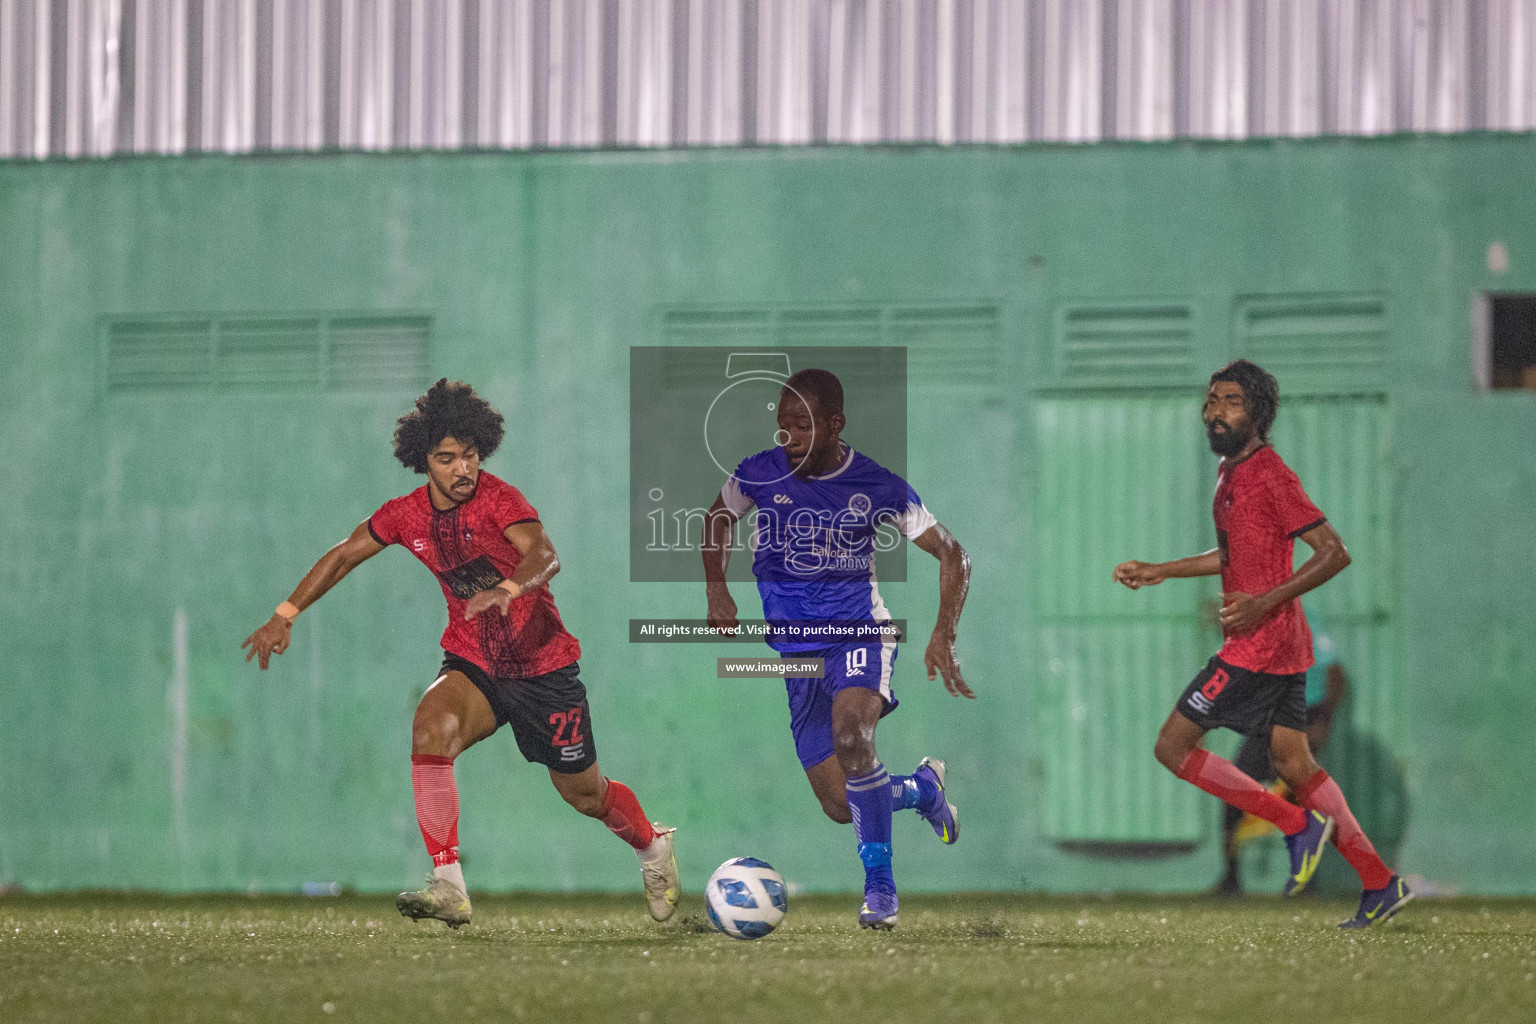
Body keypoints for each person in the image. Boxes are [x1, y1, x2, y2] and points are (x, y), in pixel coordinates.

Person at [241, 379, 679, 928]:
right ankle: (448, 884)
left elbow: (544, 554)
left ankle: (651, 847)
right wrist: (285, 614)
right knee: (430, 727)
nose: (461, 468)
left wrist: (509, 589)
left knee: (586, 795)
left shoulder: (501, 501)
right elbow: (345, 554)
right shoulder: (405, 515)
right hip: (475, 665)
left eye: (469, 455)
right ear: (423, 460)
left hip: (544, 669)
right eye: (447, 458)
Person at [1113, 360, 1410, 929]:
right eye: (1210, 401)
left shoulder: (1270, 473)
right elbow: (1232, 556)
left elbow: (1333, 552)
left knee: (1172, 749)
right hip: (1280, 644)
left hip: (1258, 647)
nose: (1213, 411)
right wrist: (1162, 571)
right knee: (1293, 762)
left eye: (1229, 401)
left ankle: (1296, 825)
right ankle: (1379, 882)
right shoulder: (1230, 472)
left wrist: (1263, 602)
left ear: (1258, 413)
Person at [701, 368, 974, 930]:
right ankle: (922, 790)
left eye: (803, 426)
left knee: (853, 736)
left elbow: (952, 554)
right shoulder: (758, 472)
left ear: (835, 424)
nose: (791, 438)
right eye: (784, 427)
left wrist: (944, 632)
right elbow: (718, 518)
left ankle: (880, 891)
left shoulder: (875, 485)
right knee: (836, 803)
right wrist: (716, 587)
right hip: (796, 653)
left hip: (858, 634)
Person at [1212, 633, 1348, 896]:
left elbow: (1335, 672)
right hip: (1265, 722)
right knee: (1233, 791)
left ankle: (1308, 881)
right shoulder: (1257, 629)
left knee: (1304, 798)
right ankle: (1230, 877)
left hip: (1301, 719)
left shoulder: (1307, 626)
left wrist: (1324, 718)